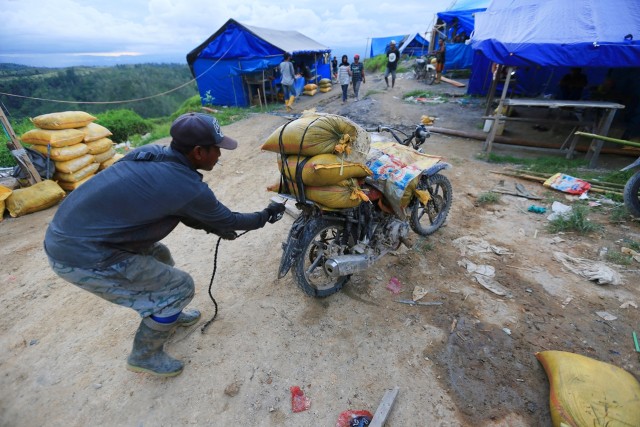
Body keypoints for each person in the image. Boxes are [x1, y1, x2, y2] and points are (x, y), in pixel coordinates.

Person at [44, 112, 286, 377]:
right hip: (83, 254)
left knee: (159, 254)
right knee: (179, 287)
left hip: (75, 232)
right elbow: (229, 219)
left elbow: (184, 214)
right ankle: (144, 355)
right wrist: (266, 215)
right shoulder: (185, 186)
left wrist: (214, 227)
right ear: (198, 152)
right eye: (216, 148)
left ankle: (167, 312)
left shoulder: (150, 153)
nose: (219, 154)